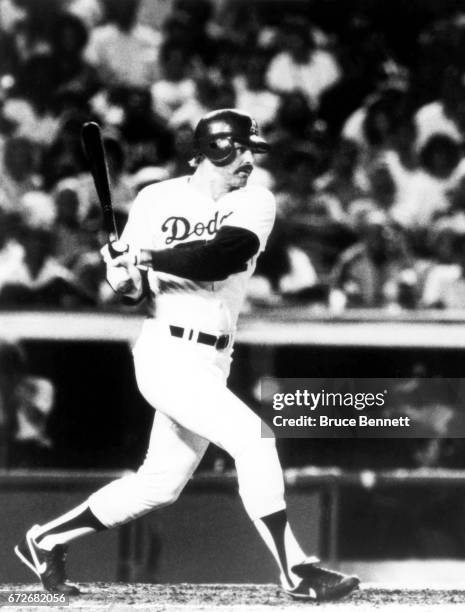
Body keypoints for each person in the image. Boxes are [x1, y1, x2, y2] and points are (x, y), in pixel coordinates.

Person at [14, 109, 360, 602]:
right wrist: (120, 273)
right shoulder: (157, 198)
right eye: (241, 149)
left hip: (213, 360)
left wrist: (145, 259)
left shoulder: (256, 201)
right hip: (165, 353)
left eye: (252, 151)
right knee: (254, 440)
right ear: (215, 147)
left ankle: (45, 539)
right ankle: (297, 573)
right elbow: (129, 290)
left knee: (160, 484)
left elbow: (223, 256)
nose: (249, 160)